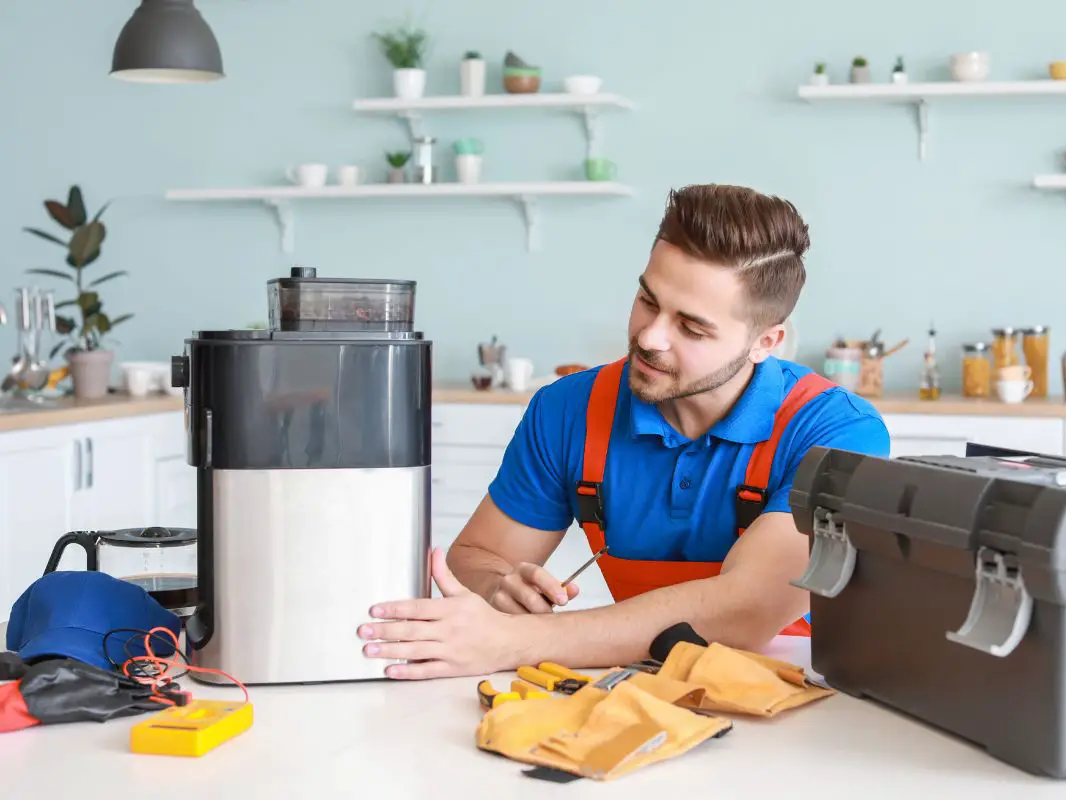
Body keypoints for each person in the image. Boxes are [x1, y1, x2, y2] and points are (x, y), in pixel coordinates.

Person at [358, 184, 891, 680]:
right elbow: (474, 558)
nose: (650, 337)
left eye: (691, 327)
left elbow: (748, 610)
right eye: (648, 301)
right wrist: (501, 592)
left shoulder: (839, 431)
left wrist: (516, 641)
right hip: (639, 680)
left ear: (765, 342)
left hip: (801, 695)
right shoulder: (566, 410)